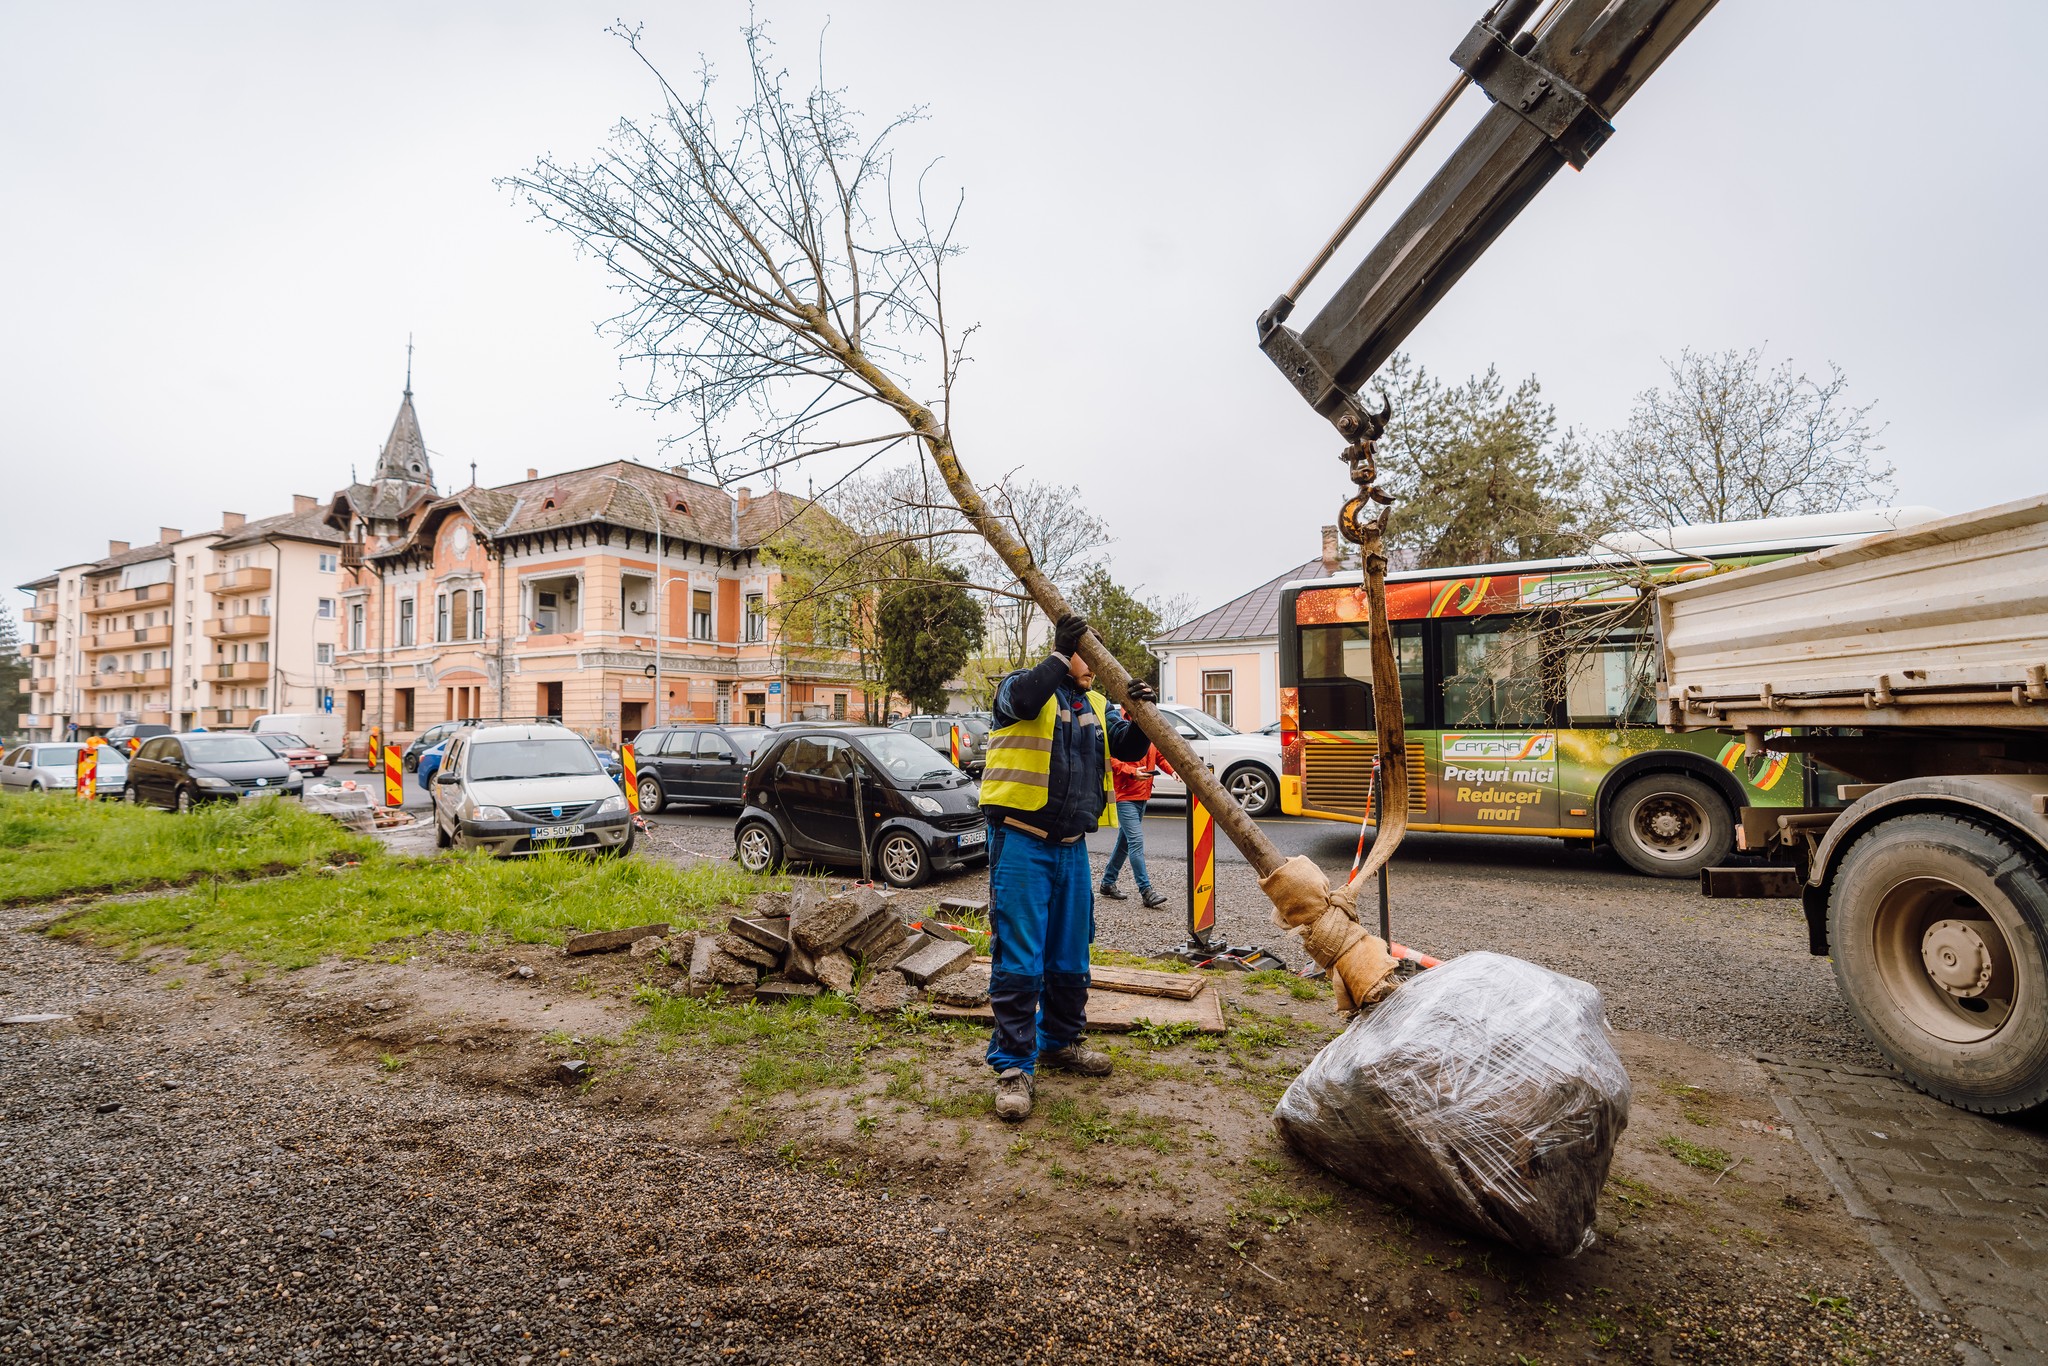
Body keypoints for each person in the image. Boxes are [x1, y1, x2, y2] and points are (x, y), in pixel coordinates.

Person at [979, 613, 1155, 1121]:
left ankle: (1060, 1041)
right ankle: (1014, 1067)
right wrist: (1059, 653)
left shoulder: (1096, 705)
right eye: (1089, 658)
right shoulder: (1017, 689)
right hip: (1021, 843)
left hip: (1072, 847)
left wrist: (1142, 712)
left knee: (1071, 953)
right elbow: (1029, 697)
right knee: (1019, 957)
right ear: (1065, 654)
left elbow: (1127, 744)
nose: (1096, 670)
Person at [1099, 742, 1172, 908]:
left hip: (1142, 796)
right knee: (1136, 841)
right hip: (1124, 796)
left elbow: (1158, 756)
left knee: (1124, 843)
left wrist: (1173, 771)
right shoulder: (1121, 723)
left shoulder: (1147, 730)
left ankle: (1107, 883)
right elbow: (1110, 759)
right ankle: (1146, 891)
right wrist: (1132, 772)